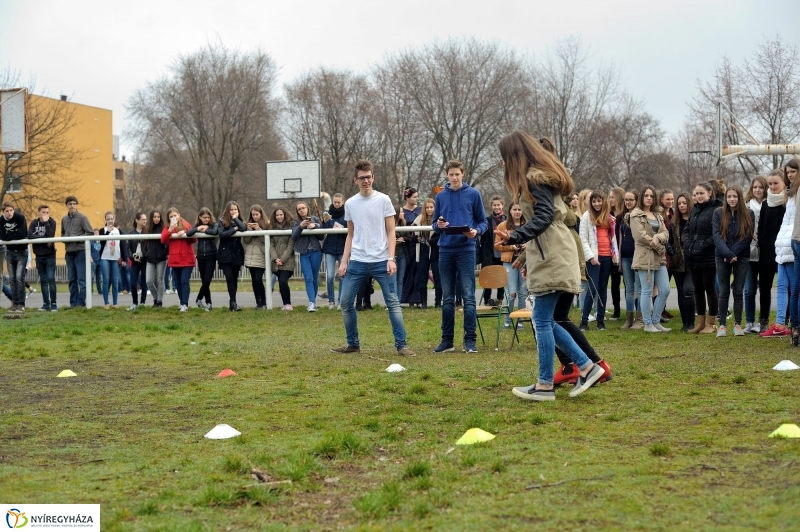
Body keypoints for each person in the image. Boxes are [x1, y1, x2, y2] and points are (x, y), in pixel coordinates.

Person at [495, 130, 604, 401]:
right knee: (545, 319)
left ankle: (549, 383)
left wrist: (515, 235)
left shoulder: (534, 179)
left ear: (514, 155)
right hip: (552, 251)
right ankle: (586, 367)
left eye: (505, 158)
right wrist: (523, 257)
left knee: (542, 319)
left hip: (552, 254)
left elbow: (544, 217)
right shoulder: (539, 177)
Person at [331, 159, 415, 357]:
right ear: (355, 180)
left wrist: (391, 258)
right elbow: (350, 234)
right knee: (345, 302)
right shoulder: (350, 204)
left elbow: (391, 231)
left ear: (373, 178)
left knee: (392, 302)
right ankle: (353, 343)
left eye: (368, 177)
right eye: (362, 178)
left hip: (381, 260)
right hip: (357, 261)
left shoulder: (384, 200)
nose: (366, 181)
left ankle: (401, 345)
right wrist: (344, 261)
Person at [431, 159, 488, 354]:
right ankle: (447, 340)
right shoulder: (441, 196)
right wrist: (438, 225)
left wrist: (476, 232)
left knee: (468, 297)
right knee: (447, 298)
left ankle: (470, 340)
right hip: (445, 250)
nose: (454, 177)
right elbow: (433, 224)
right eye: (451, 174)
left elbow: (483, 222)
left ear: (463, 174)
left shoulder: (474, 194)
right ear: (447, 175)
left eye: (457, 174)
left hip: (466, 250)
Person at [628, 185, 670, 333]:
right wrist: (654, 241)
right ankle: (647, 324)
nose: (649, 198)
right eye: (646, 195)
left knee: (665, 289)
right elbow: (640, 236)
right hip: (644, 256)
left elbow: (665, 233)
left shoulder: (658, 215)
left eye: (651, 196)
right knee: (646, 290)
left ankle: (655, 320)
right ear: (641, 197)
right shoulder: (635, 215)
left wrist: (657, 238)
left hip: (659, 256)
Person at [713, 186, 754, 337]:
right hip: (722, 255)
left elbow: (747, 237)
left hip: (741, 256)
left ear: (740, 198)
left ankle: (737, 324)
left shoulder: (749, 213)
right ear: (725, 198)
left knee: (738, 290)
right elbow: (716, 235)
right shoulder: (718, 213)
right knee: (723, 291)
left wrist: (732, 254)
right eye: (729, 196)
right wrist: (727, 254)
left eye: (735, 196)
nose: (732, 199)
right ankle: (722, 325)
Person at [685, 182, 722, 334]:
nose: (698, 196)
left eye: (701, 193)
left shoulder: (716, 210)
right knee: (697, 289)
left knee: (709, 287)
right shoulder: (694, 210)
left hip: (708, 255)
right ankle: (700, 323)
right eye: (696, 194)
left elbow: (717, 233)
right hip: (693, 255)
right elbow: (687, 230)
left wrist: (703, 245)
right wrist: (687, 242)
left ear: (709, 193)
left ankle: (711, 323)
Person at [578, 190, 618, 331]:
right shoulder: (586, 217)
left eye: (599, 200)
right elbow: (582, 239)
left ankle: (600, 321)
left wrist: (615, 256)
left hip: (607, 257)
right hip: (594, 258)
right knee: (592, 289)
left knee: (602, 289)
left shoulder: (609, 217)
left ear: (603, 201)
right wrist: (591, 257)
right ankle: (584, 321)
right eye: (594, 201)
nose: (596, 203)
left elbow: (613, 238)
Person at [757, 170, 788, 336]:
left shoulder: (788, 202)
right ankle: (763, 320)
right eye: (770, 183)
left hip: (784, 251)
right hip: (767, 252)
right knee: (764, 287)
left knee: (786, 287)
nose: (772, 186)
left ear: (783, 183)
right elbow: (761, 227)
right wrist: (762, 243)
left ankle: (786, 321)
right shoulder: (765, 204)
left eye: (776, 183)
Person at [494, 202, 527, 328]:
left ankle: (521, 321)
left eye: (519, 209)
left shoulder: (527, 224)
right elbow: (497, 245)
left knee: (523, 292)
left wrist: (527, 245)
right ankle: (507, 320)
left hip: (524, 261)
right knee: (512, 293)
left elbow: (535, 241)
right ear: (510, 211)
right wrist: (511, 246)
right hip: (509, 262)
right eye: (515, 209)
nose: (517, 212)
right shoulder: (503, 225)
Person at [61, 196, 94, 308]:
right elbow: (62, 233)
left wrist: (77, 237)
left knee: (82, 280)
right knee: (72, 280)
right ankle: (73, 303)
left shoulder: (83, 218)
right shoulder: (64, 219)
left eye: (74, 203)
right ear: (67, 205)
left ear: (77, 205)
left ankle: (81, 302)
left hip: (80, 252)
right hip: (69, 252)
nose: (72, 206)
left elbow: (90, 233)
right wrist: (65, 238)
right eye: (70, 203)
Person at [161, 207, 196, 312]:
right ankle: (182, 303)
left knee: (184, 281)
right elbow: (163, 240)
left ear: (179, 215)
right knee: (178, 282)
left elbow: (194, 239)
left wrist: (185, 233)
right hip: (175, 259)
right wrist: (170, 230)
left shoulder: (186, 224)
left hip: (187, 258)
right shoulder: (167, 227)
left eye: (175, 215)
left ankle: (185, 304)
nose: (173, 218)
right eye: (171, 216)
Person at [669, 193, 695, 331]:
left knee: (688, 290)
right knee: (680, 292)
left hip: (692, 261)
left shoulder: (695, 220)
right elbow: (670, 240)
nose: (682, 206)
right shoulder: (674, 222)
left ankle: (691, 322)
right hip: (677, 262)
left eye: (684, 203)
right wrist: (671, 250)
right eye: (679, 204)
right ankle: (685, 323)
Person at [743, 176, 766, 332]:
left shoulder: (770, 204)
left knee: (764, 289)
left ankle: (762, 322)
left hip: (765, 252)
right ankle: (749, 321)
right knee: (749, 289)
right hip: (749, 252)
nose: (757, 190)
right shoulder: (745, 206)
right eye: (755, 187)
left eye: (760, 187)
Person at [292, 202, 324, 312]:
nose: (301, 210)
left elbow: (321, 237)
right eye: (299, 209)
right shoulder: (296, 222)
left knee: (314, 278)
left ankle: (313, 302)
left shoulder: (315, 219)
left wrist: (314, 227)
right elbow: (294, 236)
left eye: (303, 208)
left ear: (307, 208)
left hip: (316, 252)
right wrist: (301, 226)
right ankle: (311, 303)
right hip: (304, 253)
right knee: (308, 278)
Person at [216, 201, 247, 312]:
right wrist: (234, 229)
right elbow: (222, 235)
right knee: (229, 278)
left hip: (237, 253)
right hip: (225, 253)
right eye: (231, 209)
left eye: (235, 209)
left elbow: (243, 229)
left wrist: (236, 220)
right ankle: (234, 303)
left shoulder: (240, 221)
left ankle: (232, 303)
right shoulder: (221, 221)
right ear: (227, 211)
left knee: (234, 279)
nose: (234, 211)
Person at [618, 190, 641, 329]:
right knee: (629, 288)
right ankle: (629, 319)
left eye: (631, 199)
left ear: (636, 201)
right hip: (625, 257)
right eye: (626, 200)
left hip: (638, 257)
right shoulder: (622, 217)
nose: (628, 202)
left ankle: (639, 319)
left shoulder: (639, 216)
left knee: (639, 288)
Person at [27, 205, 58, 312]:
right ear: (38, 213)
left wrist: (46, 223)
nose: (45, 214)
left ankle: (54, 303)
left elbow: (51, 235)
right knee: (43, 281)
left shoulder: (52, 222)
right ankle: (46, 304)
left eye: (47, 212)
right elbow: (29, 235)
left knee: (51, 279)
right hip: (39, 256)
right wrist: (44, 239)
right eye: (43, 212)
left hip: (50, 255)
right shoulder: (34, 223)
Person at [97, 211, 128, 309]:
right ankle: (106, 303)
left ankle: (115, 303)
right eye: (108, 219)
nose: (110, 221)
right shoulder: (102, 230)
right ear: (105, 220)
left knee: (115, 281)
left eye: (111, 219)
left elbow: (123, 246)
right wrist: (108, 232)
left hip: (115, 258)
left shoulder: (119, 231)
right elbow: (100, 243)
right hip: (105, 257)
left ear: (114, 219)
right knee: (106, 280)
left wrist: (124, 258)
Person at [0, 203, 27, 313]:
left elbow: (22, 234)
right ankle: (15, 304)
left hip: (22, 252)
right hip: (10, 252)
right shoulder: (1, 220)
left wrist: (9, 235)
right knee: (12, 280)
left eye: (11, 210)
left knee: (19, 278)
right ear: (3, 212)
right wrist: (12, 235)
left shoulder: (20, 218)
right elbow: (2, 236)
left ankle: (21, 304)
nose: (10, 212)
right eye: (7, 211)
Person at [479, 196, 506, 306]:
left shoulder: (507, 220)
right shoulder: (487, 220)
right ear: (491, 206)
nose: (497, 207)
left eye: (498, 205)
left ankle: (500, 299)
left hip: (503, 253)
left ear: (502, 205)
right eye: (494, 205)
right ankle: (487, 300)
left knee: (501, 276)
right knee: (488, 276)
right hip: (489, 253)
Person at [321, 193, 346, 310]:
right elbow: (323, 231)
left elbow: (349, 231)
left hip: (342, 248)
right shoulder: (327, 214)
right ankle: (331, 301)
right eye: (334, 202)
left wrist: (342, 229)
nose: (336, 204)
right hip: (330, 248)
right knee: (330, 276)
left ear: (343, 202)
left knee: (342, 276)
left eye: (338, 202)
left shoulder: (347, 214)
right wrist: (325, 222)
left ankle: (341, 301)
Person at [412, 198, 438, 309]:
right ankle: (424, 303)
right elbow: (411, 235)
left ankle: (438, 302)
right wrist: (415, 239)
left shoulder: (439, 219)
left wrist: (431, 242)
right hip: (423, 250)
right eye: (427, 207)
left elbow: (442, 235)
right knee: (422, 278)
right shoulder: (418, 219)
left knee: (438, 277)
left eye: (431, 207)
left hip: (436, 251)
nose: (429, 209)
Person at [397, 188, 421, 303]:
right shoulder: (402, 212)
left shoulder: (421, 210)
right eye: (414, 197)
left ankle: (416, 297)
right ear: (407, 198)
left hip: (419, 244)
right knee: (406, 272)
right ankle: (404, 296)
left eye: (417, 196)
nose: (417, 199)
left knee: (418, 272)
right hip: (407, 246)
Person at [243, 204, 270, 310]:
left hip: (261, 256)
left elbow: (265, 240)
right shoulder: (248, 225)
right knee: (254, 281)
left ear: (261, 214)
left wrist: (258, 229)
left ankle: (263, 302)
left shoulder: (267, 224)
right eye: (253, 214)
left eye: (256, 214)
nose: (254, 217)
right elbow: (246, 241)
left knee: (258, 279)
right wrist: (249, 231)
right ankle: (258, 303)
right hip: (250, 255)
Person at [270, 207, 296, 311]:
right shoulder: (272, 228)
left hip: (287, 261)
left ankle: (288, 304)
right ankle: (285, 304)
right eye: (277, 215)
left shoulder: (291, 226)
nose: (279, 217)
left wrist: (282, 259)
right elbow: (271, 245)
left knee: (283, 280)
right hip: (276, 261)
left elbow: (290, 245)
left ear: (285, 215)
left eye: (281, 214)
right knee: (281, 282)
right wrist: (275, 258)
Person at [608, 187, 625, 320]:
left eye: (612, 197)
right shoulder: (608, 213)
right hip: (612, 252)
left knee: (628, 283)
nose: (610, 200)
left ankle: (632, 311)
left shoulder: (626, 214)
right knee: (614, 282)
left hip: (624, 251)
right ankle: (616, 310)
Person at [144, 210, 167, 307]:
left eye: (158, 217)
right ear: (151, 218)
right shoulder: (147, 229)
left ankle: (159, 302)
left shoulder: (164, 228)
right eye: (154, 217)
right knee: (149, 281)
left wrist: (164, 253)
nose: (156, 219)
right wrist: (146, 253)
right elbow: (144, 244)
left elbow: (167, 243)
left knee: (159, 280)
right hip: (150, 258)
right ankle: (156, 298)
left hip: (161, 258)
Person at [126, 213, 148, 311]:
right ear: (137, 220)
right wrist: (132, 257)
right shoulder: (131, 233)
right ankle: (135, 303)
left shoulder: (147, 232)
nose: (145, 221)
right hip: (134, 261)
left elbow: (149, 247)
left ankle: (142, 303)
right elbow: (128, 248)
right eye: (143, 219)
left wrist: (143, 257)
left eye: (145, 219)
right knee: (133, 283)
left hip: (144, 260)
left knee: (144, 282)